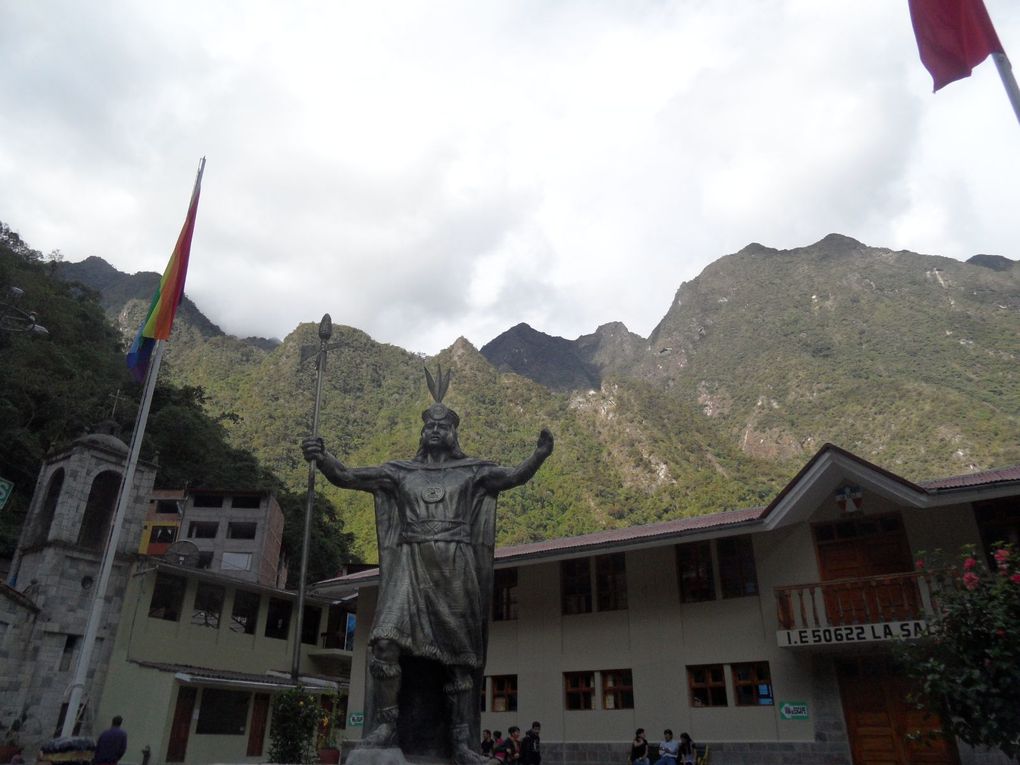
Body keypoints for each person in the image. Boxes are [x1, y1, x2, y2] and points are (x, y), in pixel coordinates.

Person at [303, 366, 553, 765]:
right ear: (423, 432)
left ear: (454, 433)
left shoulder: (472, 471)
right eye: (430, 425)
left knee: (459, 659)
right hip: (410, 565)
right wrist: (323, 456)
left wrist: (538, 455)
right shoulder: (400, 471)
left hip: (455, 568)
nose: (435, 430)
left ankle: (462, 744)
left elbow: (511, 478)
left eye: (443, 425)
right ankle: (386, 726)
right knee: (385, 643)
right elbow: (348, 476)